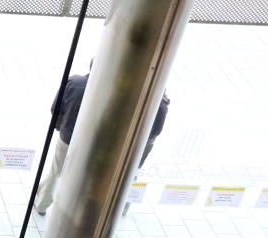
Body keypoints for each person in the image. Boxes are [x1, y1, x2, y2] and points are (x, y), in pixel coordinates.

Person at [34, 71, 170, 215]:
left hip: (67, 136)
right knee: (126, 176)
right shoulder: (112, 94)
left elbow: (56, 108)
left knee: (56, 171)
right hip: (92, 143)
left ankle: (43, 203)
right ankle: (119, 208)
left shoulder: (75, 82)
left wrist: (59, 125)